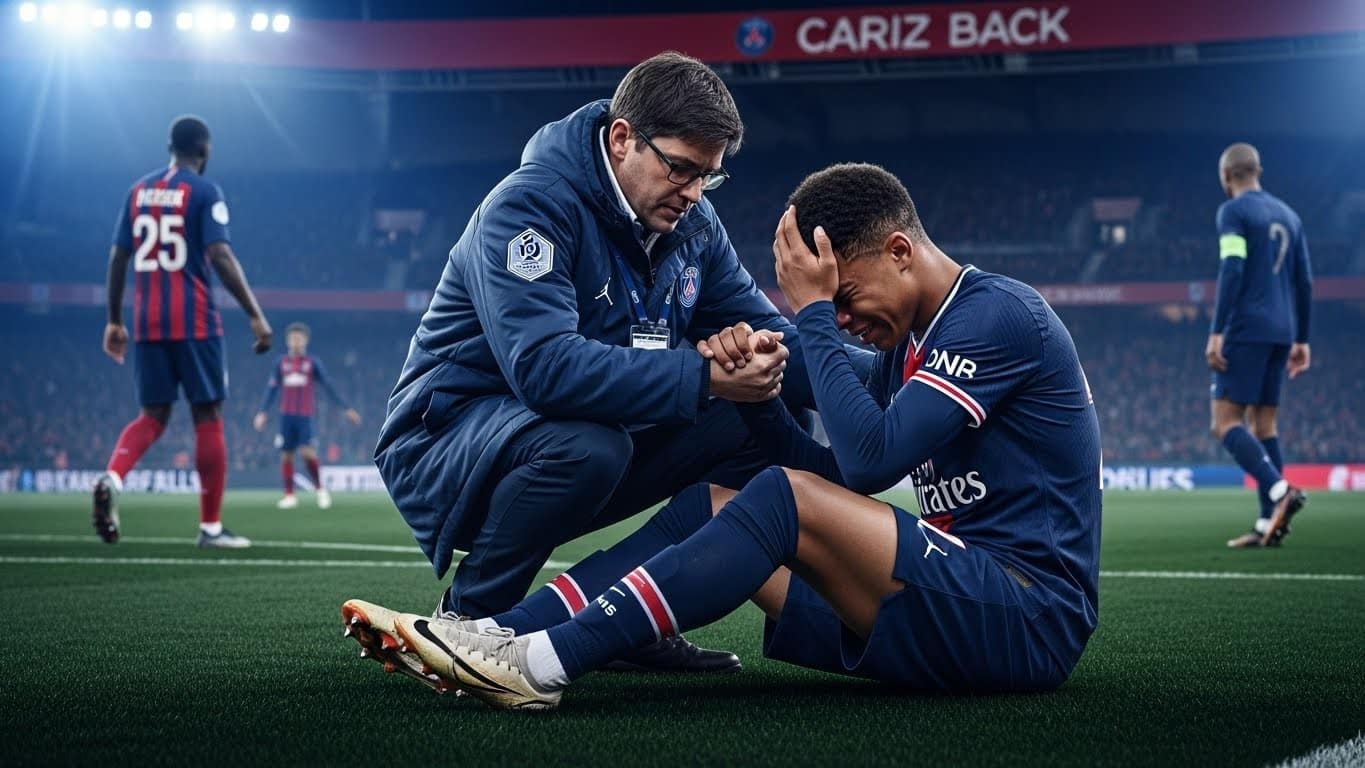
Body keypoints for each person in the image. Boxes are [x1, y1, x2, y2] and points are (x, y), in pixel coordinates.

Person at [344, 162, 1103, 709]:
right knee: (712, 502)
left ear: (899, 252)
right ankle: (489, 634)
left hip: (1026, 614)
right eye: (833, 309)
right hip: (949, 600)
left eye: (845, 296)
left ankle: (539, 666)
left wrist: (809, 315)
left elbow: (870, 463)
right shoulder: (911, 344)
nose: (843, 321)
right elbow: (829, 460)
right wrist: (752, 379)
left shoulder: (999, 316)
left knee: (780, 498)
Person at [360, 52, 867, 688]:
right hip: (447, 440)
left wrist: (903, 376)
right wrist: (706, 377)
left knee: (768, 404)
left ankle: (626, 618)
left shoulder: (693, 224)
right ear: (623, 138)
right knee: (590, 446)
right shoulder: (529, 207)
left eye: (708, 177)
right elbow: (545, 369)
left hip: (590, 429)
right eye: (680, 168)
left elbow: (775, 340)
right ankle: (469, 622)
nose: (693, 193)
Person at [93, 115, 272, 549]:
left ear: (170, 147)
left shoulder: (137, 192)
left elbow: (118, 258)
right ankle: (210, 528)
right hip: (195, 322)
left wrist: (115, 319)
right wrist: (255, 314)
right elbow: (220, 255)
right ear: (204, 150)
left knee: (152, 416)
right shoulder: (205, 191)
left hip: (147, 322)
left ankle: (113, 476)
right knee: (207, 417)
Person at [1205, 143, 1312, 548]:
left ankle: (1280, 491)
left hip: (1246, 327)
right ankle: (1269, 523)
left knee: (1224, 422)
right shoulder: (1290, 216)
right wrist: (1302, 338)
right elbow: (1305, 282)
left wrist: (1218, 330)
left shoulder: (1233, 212)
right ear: (1258, 170)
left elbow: (1232, 267)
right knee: (1265, 426)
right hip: (1282, 331)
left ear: (1226, 177)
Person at [253, 322, 361, 510]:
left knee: (307, 453)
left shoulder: (312, 363)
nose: (295, 341)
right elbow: (271, 389)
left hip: (304, 416)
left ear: (305, 340)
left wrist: (346, 408)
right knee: (286, 455)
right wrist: (262, 412)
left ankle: (320, 490)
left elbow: (328, 385)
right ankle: (289, 496)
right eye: (292, 338)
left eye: (299, 338)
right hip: (286, 416)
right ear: (287, 341)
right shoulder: (281, 363)